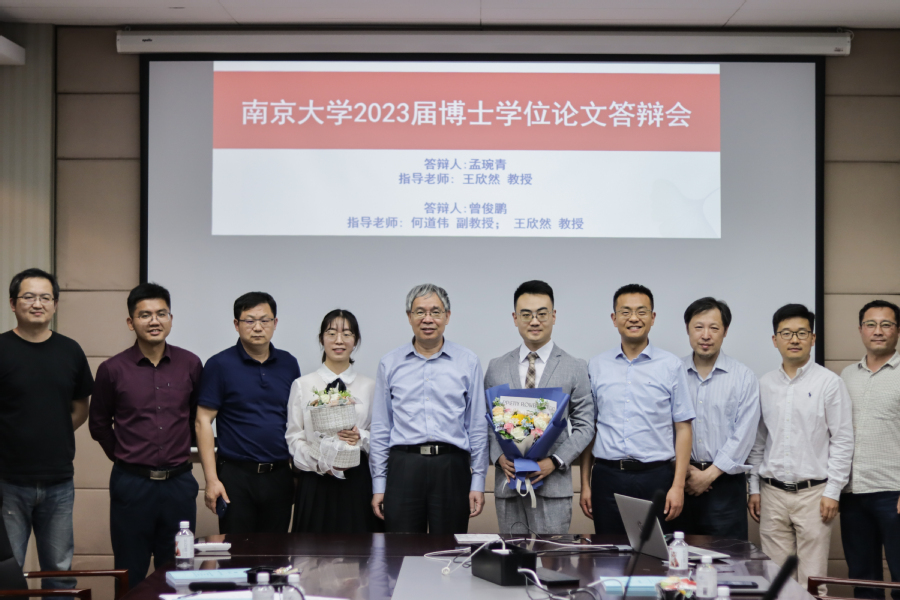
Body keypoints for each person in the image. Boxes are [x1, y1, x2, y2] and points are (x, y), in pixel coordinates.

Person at [89, 283, 202, 587]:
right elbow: (99, 424)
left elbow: (196, 418)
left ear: (171, 319)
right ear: (131, 322)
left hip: (179, 484)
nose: (154, 321)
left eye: (161, 314)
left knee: (178, 571)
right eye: (145, 315)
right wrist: (125, 456)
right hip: (132, 485)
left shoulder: (190, 364)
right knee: (130, 572)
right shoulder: (112, 369)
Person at [747, 304, 854, 593]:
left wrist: (833, 491)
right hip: (771, 494)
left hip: (814, 495)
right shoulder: (764, 384)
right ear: (775, 340)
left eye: (801, 333)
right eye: (786, 333)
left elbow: (843, 440)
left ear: (813, 338)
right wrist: (753, 488)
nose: (794, 339)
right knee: (776, 582)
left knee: (813, 583)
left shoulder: (829, 383)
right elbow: (758, 442)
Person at [369, 283, 488, 533]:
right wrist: (379, 484)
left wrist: (478, 481)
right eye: (420, 312)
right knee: (401, 550)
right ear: (409, 317)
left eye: (435, 312)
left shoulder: (467, 361)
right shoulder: (390, 363)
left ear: (447, 316)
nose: (428, 319)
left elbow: (477, 426)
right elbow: (381, 428)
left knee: (449, 549)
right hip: (404, 466)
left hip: (452, 467)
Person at [0, 268, 92, 589]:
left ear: (55, 304)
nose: (37, 303)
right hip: (8, 481)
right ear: (13, 303)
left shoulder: (70, 350)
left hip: (59, 481)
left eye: (45, 297)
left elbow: (80, 408)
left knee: (60, 573)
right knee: (7, 572)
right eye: (28, 297)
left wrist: (52, 431)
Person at [579, 283, 694, 535]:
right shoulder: (596, 365)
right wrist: (585, 484)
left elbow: (683, 428)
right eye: (625, 312)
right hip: (607, 477)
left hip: (656, 478)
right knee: (608, 552)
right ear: (614, 318)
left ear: (653, 318)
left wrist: (677, 486)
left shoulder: (671, 365)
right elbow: (589, 429)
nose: (633, 318)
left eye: (642, 312)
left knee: (654, 554)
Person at [484, 280, 594, 534]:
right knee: (511, 555)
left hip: (553, 485)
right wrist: (498, 457)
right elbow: (486, 422)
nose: (534, 321)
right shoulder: (496, 367)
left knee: (551, 557)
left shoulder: (575, 367)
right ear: (515, 318)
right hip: (509, 484)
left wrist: (555, 461)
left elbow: (586, 425)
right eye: (526, 314)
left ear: (553, 316)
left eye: (542, 314)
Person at [196, 292, 300, 534]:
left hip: (279, 475)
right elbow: (203, 421)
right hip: (236, 476)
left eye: (265, 320)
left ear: (275, 323)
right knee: (237, 551)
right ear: (236, 324)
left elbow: (297, 420)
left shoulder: (289, 363)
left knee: (276, 551)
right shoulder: (219, 365)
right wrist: (211, 480)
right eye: (249, 320)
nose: (258, 327)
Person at [285, 309, 382, 533]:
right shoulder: (302, 385)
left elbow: (379, 435)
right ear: (322, 339)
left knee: (358, 549)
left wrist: (360, 437)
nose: (339, 340)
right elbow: (294, 436)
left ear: (355, 340)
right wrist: (320, 463)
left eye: (347, 334)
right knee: (312, 549)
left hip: (356, 479)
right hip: (315, 478)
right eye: (331, 333)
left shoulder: (370, 386)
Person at [678, 297, 760, 539]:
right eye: (698, 327)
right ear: (688, 329)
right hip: (680, 481)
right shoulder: (673, 373)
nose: (706, 335)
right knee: (678, 554)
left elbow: (744, 435)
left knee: (729, 557)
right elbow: (662, 426)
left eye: (714, 328)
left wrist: (709, 474)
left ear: (725, 331)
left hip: (725, 486)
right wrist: (683, 469)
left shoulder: (743, 377)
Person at [840, 300, 900, 599]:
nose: (878, 331)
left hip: (894, 493)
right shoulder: (846, 375)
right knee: (863, 580)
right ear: (860, 329)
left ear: (897, 330)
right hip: (853, 493)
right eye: (871, 324)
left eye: (886, 324)